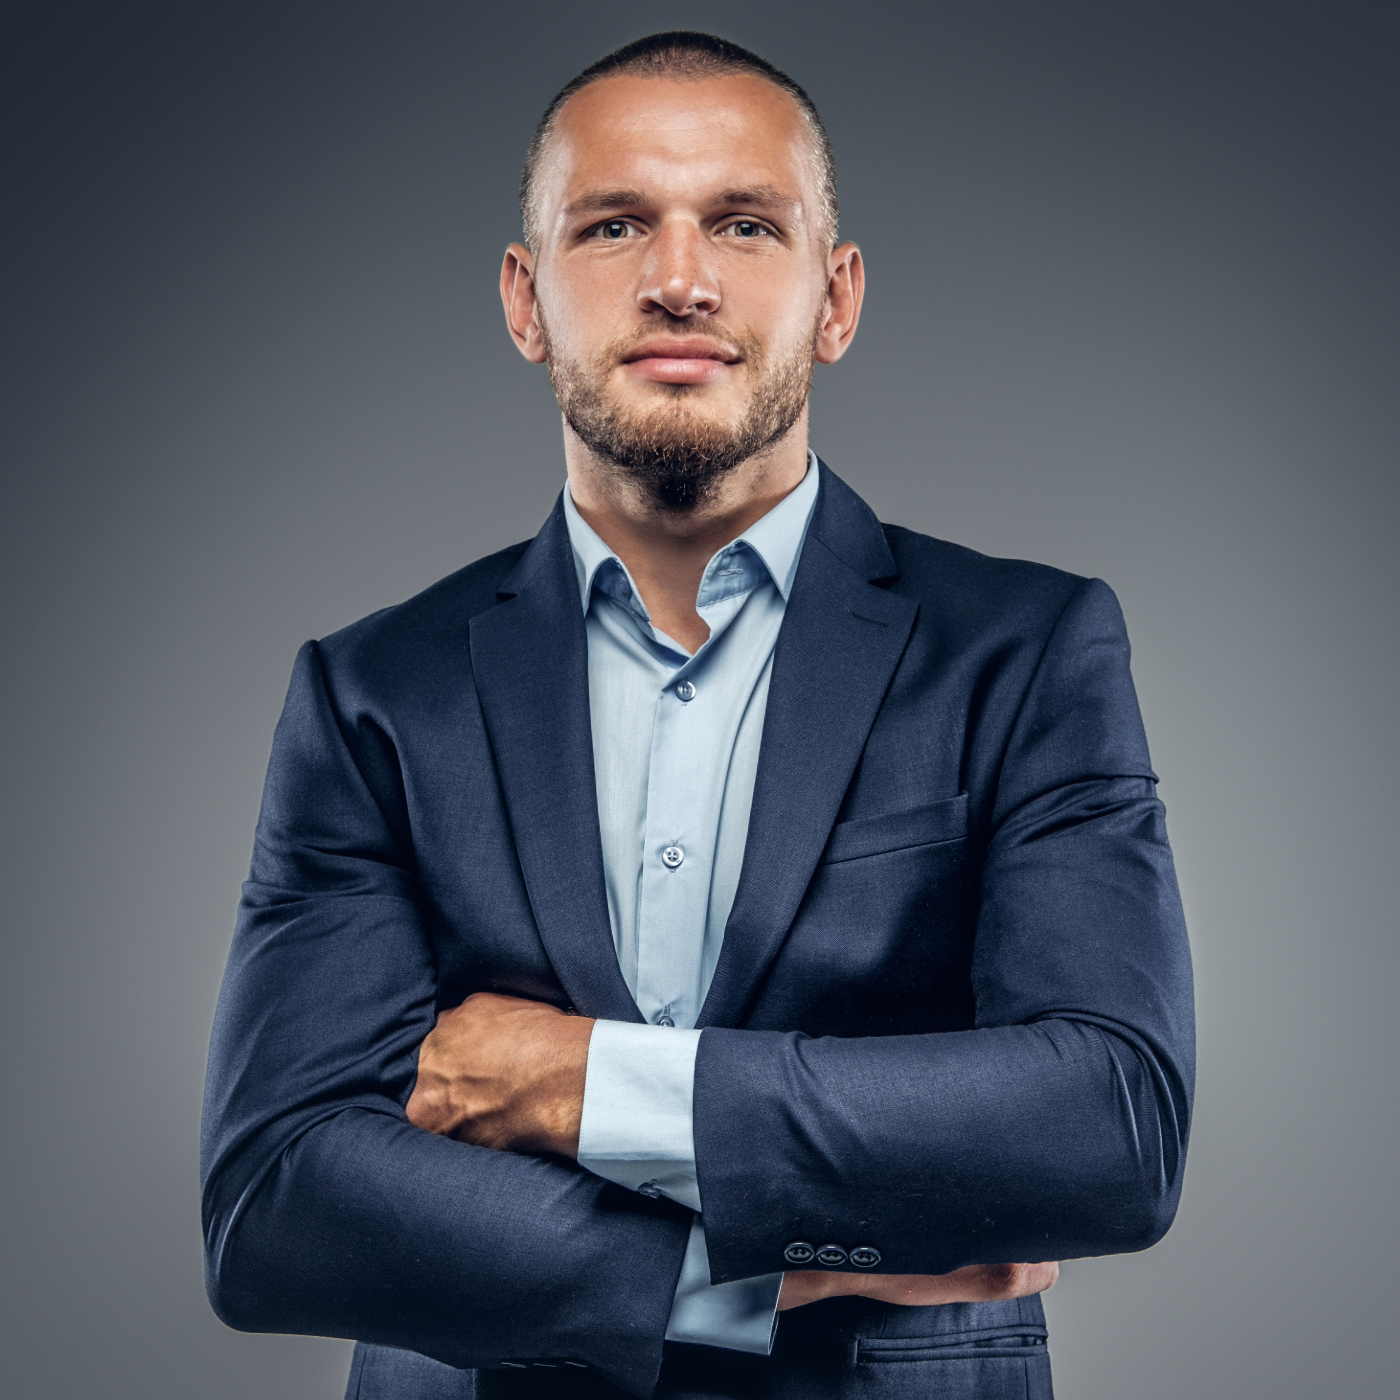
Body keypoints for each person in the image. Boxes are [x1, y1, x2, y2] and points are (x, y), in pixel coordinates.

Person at [201, 31, 1193, 1400]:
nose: (678, 279)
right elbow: (274, 1200)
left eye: (743, 223)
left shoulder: (1027, 651)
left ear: (835, 300)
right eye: (613, 226)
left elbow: (1110, 1128)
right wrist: (748, 1276)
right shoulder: (375, 692)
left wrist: (587, 1083)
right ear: (524, 299)